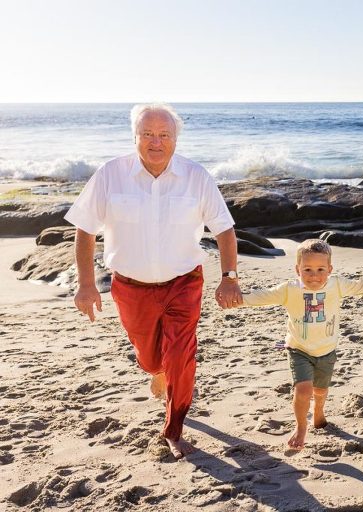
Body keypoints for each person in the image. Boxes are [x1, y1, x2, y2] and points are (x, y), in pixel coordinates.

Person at [65, 103, 242, 459]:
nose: (156, 142)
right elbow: (84, 230)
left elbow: (225, 230)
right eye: (147, 134)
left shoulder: (196, 176)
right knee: (150, 358)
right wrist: (86, 284)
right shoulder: (110, 174)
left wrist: (229, 278)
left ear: (176, 139)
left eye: (164, 135)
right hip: (131, 286)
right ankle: (155, 370)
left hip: (184, 282)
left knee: (180, 353)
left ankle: (174, 427)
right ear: (135, 137)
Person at [238, 239, 363, 449]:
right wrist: (238, 298)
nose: (314, 276)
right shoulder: (289, 289)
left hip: (327, 350)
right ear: (297, 269)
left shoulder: (337, 285)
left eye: (320, 269)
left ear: (330, 269)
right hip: (299, 350)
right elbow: (264, 296)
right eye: (307, 269)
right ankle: (301, 427)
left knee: (321, 390)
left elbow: (362, 285)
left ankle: (319, 411)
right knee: (304, 390)